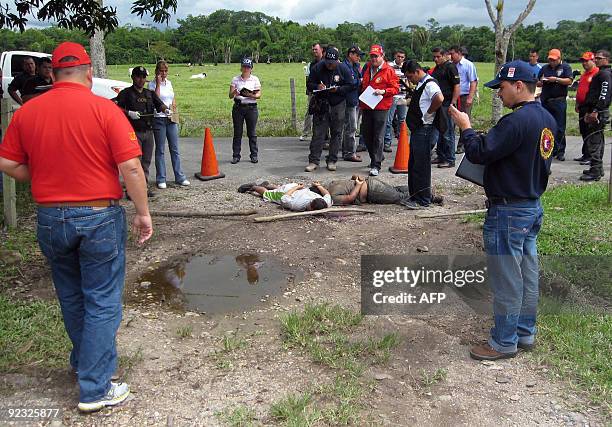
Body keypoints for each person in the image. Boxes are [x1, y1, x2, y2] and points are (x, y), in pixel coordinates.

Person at [0, 41, 153, 411]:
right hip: (98, 215)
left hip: (51, 219)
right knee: (102, 300)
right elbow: (131, 167)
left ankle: (85, 362)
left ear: (52, 74)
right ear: (88, 73)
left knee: (71, 296)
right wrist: (143, 212)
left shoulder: (27, 113)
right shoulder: (105, 109)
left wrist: (41, 176)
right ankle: (96, 388)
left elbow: (6, 163)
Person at [449, 60, 557, 361]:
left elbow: (479, 153)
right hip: (531, 206)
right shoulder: (547, 118)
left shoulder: (515, 122)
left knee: (507, 277)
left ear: (519, 86)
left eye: (502, 87)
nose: (498, 93)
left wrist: (467, 128)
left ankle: (503, 342)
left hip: (509, 211)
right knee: (527, 272)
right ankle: (524, 332)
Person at [115, 66, 171, 189]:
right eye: (138, 77)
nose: (141, 80)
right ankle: (132, 190)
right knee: (135, 163)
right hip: (133, 132)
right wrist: (129, 112)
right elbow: (116, 107)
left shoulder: (149, 93)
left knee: (146, 161)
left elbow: (159, 104)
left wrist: (166, 110)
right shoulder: (126, 93)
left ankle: (143, 187)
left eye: (143, 77)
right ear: (133, 78)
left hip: (148, 131)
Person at [305, 46, 355, 172]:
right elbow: (309, 84)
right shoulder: (318, 67)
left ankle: (332, 160)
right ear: (325, 59)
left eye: (332, 64)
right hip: (322, 103)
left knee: (337, 133)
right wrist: (317, 85)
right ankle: (313, 161)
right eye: (327, 63)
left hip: (338, 104)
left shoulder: (343, 68)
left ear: (337, 61)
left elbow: (351, 85)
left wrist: (338, 89)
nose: (329, 66)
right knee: (318, 133)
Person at [402, 60, 444, 209]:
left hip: (425, 129)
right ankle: (416, 196)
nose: (409, 80)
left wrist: (429, 114)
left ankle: (423, 199)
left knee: (421, 165)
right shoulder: (422, 83)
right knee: (414, 163)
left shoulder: (430, 84)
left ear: (417, 72)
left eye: (410, 76)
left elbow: (439, 98)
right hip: (418, 129)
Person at [148, 60, 190, 189]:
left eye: (166, 71)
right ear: (157, 72)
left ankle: (180, 176)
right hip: (159, 119)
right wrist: (158, 84)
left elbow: (172, 96)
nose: (164, 73)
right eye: (161, 71)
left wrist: (174, 106)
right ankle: (161, 178)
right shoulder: (151, 85)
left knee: (175, 149)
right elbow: (156, 98)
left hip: (171, 118)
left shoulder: (170, 83)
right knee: (160, 150)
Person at [359, 44, 400, 177]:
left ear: (382, 56)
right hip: (366, 105)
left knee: (378, 136)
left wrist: (383, 91)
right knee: (366, 134)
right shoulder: (368, 68)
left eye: (376, 56)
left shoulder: (389, 70)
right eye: (372, 56)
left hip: (381, 107)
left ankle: (375, 164)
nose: (374, 59)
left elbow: (395, 89)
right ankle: (377, 156)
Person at [579, 50, 611, 181]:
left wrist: (596, 110)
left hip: (597, 112)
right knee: (597, 140)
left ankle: (595, 171)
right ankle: (596, 167)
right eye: (596, 58)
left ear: (607, 59)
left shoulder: (605, 75)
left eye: (599, 58)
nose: (596, 60)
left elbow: (605, 94)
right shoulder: (601, 73)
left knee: (594, 141)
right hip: (593, 110)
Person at [537, 48, 573, 161]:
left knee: (560, 127)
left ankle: (560, 151)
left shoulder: (565, 67)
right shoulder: (544, 68)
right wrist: (542, 81)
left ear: (559, 59)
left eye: (553, 60)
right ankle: (549, 150)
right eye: (550, 60)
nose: (551, 62)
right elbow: (538, 81)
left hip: (559, 101)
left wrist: (556, 79)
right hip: (546, 100)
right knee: (547, 126)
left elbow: (569, 81)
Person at [431, 47, 460, 168]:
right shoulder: (437, 68)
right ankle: (441, 155)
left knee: (448, 132)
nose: (436, 59)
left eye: (438, 56)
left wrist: (452, 103)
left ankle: (450, 158)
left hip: (447, 103)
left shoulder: (450, 67)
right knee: (440, 131)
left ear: (444, 55)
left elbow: (457, 86)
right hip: (439, 103)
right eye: (434, 57)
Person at [229, 58, 262, 164]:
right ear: (241, 67)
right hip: (238, 107)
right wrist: (234, 92)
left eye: (248, 67)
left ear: (251, 68)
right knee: (237, 132)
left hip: (251, 107)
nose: (245, 69)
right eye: (244, 66)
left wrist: (251, 94)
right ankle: (236, 155)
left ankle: (254, 155)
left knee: (252, 133)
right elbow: (230, 95)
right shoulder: (235, 79)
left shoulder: (255, 79)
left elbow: (259, 94)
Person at [449, 46, 478, 154]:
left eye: (452, 54)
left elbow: (473, 82)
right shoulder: (451, 65)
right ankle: (450, 146)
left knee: (464, 120)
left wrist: (470, 97)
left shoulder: (468, 65)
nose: (451, 56)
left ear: (459, 53)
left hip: (464, 96)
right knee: (451, 121)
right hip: (454, 96)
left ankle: (462, 145)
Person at [238, 181, 332, 212]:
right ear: (311, 205)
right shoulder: (296, 205)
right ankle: (253, 187)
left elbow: (327, 194)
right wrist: (297, 187)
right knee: (268, 194)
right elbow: (284, 198)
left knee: (278, 188)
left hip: (300, 190)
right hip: (289, 191)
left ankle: (267, 184)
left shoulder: (326, 202)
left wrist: (319, 186)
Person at [574, 52, 599, 165]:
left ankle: (591, 156)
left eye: (586, 61)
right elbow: (580, 90)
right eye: (583, 61)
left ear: (593, 61)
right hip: (582, 106)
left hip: (590, 106)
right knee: (584, 131)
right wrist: (577, 103)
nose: (584, 63)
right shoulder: (584, 74)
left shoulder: (597, 73)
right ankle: (585, 154)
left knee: (590, 132)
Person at [341, 45, 364, 163]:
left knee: (350, 126)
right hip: (349, 100)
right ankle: (350, 152)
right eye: (357, 55)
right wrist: (359, 81)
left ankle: (347, 151)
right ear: (350, 54)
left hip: (355, 99)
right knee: (352, 127)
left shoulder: (355, 66)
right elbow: (351, 83)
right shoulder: (344, 67)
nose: (359, 58)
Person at [383, 50, 408, 153]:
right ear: (395, 56)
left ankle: (402, 140)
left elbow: (407, 79)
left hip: (402, 95)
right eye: (399, 56)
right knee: (389, 119)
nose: (400, 59)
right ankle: (387, 142)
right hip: (393, 95)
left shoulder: (405, 66)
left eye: (402, 57)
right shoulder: (390, 66)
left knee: (402, 119)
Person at [300, 43, 324, 141]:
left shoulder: (327, 62)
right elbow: (308, 79)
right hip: (313, 92)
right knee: (309, 112)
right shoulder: (311, 64)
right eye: (313, 49)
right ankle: (306, 133)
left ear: (321, 50)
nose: (314, 51)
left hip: (325, 92)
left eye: (316, 49)